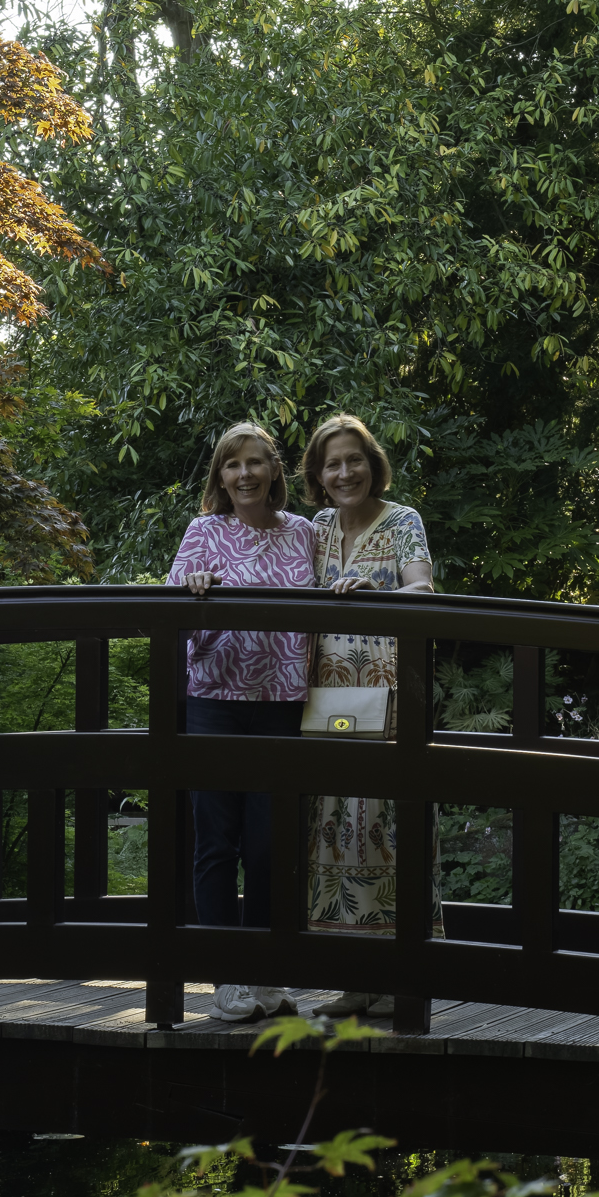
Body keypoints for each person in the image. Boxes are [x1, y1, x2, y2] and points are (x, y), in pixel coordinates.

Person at [167, 421, 314, 1024]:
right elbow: (172, 617)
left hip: (281, 701)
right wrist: (192, 587)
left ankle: (264, 971)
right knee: (216, 841)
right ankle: (227, 977)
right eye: (233, 465)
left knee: (270, 841)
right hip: (215, 700)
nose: (245, 474)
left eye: (256, 463)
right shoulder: (205, 532)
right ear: (220, 476)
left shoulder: (302, 533)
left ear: (275, 471)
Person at [299, 414, 438, 1019]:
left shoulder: (403, 521)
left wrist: (375, 595)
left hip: (389, 703)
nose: (344, 471)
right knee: (334, 826)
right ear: (318, 475)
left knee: (391, 826)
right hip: (325, 700)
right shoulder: (317, 528)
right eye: (332, 463)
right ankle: (356, 976)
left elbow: (424, 591)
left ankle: (408, 974)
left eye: (354, 459)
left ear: (372, 464)